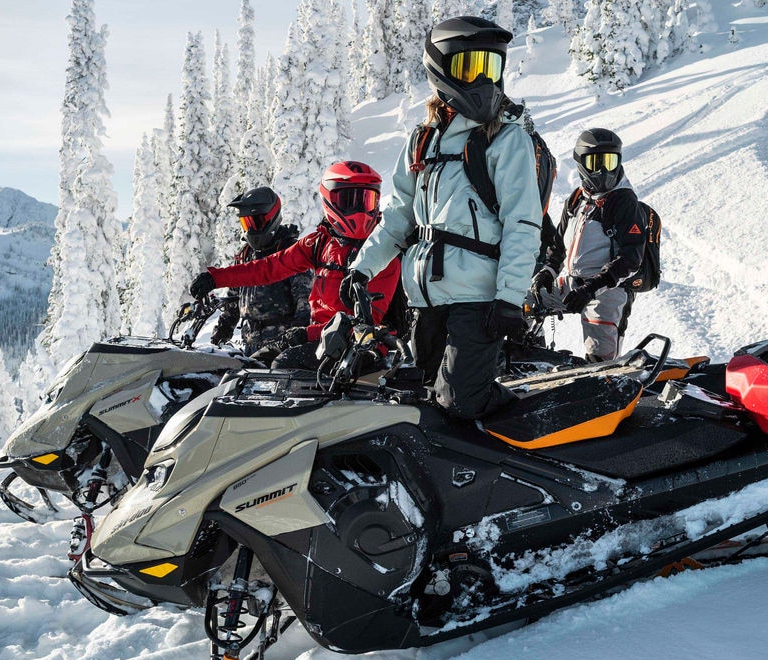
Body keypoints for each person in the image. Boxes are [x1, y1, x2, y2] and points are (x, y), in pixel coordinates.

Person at [343, 16, 542, 419]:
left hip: (479, 298)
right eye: (471, 67)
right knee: (427, 404)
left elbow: (523, 223)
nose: (484, 80)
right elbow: (398, 217)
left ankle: (534, 432)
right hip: (425, 300)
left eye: (492, 67)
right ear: (441, 69)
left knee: (461, 403)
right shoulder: (421, 141)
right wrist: (361, 270)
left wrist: (509, 298)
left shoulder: (506, 138)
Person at [189, 161, 400, 369]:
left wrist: (306, 333)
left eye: (367, 201)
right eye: (349, 200)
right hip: (321, 339)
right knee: (254, 364)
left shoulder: (381, 249)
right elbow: (270, 268)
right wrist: (216, 278)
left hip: (360, 345)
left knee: (283, 367)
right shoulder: (320, 242)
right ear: (329, 200)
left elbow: (368, 321)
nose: (359, 210)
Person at [533, 128, 644, 362]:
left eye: (610, 161)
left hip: (609, 289)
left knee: (599, 357)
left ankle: (602, 384)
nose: (603, 170)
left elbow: (631, 259)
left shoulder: (623, 201)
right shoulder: (576, 199)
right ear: (580, 162)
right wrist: (547, 272)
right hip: (575, 284)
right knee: (526, 302)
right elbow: (558, 247)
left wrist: (592, 288)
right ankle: (531, 356)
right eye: (596, 162)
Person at [209, 184, 311, 350]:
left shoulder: (291, 253)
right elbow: (233, 301)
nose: (251, 229)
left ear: (272, 218)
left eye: (256, 222)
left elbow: (305, 303)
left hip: (282, 347)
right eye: (246, 223)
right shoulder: (245, 254)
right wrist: (220, 335)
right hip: (250, 344)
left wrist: (295, 343)